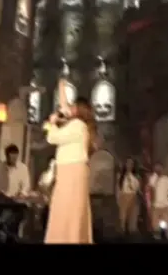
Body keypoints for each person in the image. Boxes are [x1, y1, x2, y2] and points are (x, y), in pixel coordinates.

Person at [44, 78, 97, 244]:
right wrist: (61, 87)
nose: (70, 108)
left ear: (79, 110)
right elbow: (64, 107)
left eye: (74, 106)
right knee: (68, 210)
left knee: (67, 211)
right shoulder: (77, 125)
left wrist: (52, 123)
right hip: (70, 172)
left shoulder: (77, 125)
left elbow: (52, 138)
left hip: (71, 173)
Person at [149, 163, 168, 239]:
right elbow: (150, 189)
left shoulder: (167, 180)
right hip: (155, 207)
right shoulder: (153, 178)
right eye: (156, 168)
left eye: (159, 168)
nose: (158, 170)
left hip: (166, 207)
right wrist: (155, 178)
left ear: (162, 169)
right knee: (156, 229)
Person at [117, 158, 140, 235]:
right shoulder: (121, 176)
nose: (129, 165)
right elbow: (118, 188)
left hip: (133, 195)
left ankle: (132, 230)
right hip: (124, 195)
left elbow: (137, 187)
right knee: (123, 214)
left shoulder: (136, 176)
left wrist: (131, 181)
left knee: (132, 214)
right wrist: (118, 198)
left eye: (131, 164)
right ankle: (122, 229)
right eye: (128, 163)